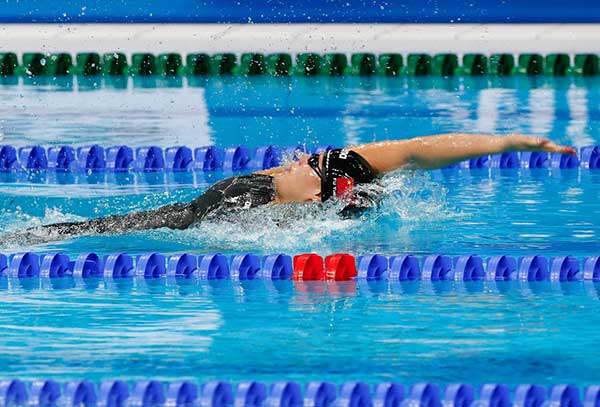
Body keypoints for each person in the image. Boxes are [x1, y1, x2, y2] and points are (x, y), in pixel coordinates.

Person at [36, 133, 575, 238]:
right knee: (181, 218)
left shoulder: (352, 182)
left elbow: (426, 152)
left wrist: (516, 144)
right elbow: (441, 144)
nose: (298, 161)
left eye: (306, 168)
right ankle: (50, 233)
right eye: (303, 163)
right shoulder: (240, 198)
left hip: (314, 212)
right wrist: (518, 143)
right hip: (271, 200)